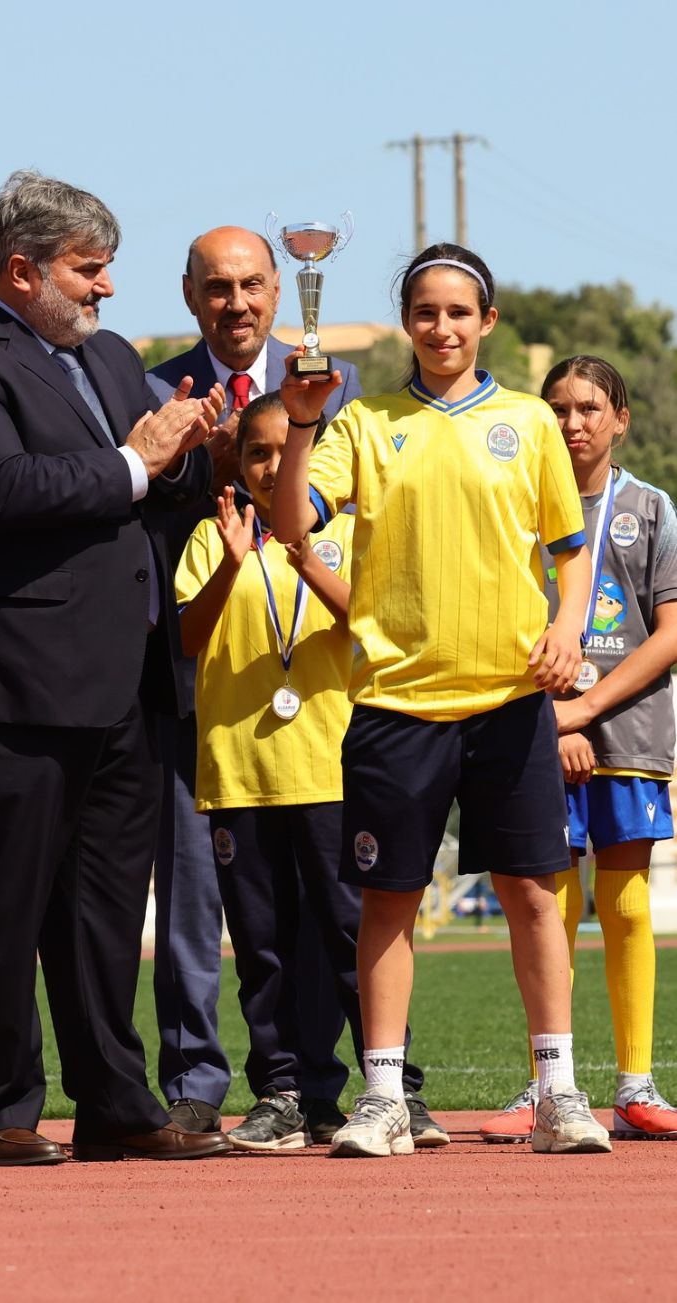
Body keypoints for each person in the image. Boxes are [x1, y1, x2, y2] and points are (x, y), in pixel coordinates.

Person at [0, 170, 231, 1166]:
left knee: (101, 911)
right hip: (10, 681)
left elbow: (164, 488)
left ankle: (114, 1104)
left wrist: (209, 445)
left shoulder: (115, 358)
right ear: (19, 270)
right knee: (0, 901)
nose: (105, 290)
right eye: (89, 271)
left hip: (123, 680)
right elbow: (5, 489)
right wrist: (136, 461)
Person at [271, 243, 613, 1158]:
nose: (442, 327)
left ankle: (556, 1089)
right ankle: (382, 1094)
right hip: (395, 700)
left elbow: (568, 549)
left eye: (459, 311)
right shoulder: (365, 422)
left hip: (507, 699)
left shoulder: (529, 424)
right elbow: (291, 523)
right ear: (406, 323)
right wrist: (302, 426)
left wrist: (568, 629)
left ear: (486, 321)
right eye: (425, 311)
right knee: (387, 897)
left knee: (535, 895)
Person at [145, 226, 367, 1140]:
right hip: (192, 660)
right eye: (216, 287)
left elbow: (361, 509)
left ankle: (339, 1079)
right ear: (190, 294)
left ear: (278, 291)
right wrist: (200, 456)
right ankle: (197, 1078)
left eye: (251, 284)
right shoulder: (152, 389)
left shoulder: (333, 387)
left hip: (311, 677)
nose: (235, 302)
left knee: (329, 910)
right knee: (197, 901)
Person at [175, 393, 439, 1150]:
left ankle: (392, 1089)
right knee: (261, 949)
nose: (268, 467)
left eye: (283, 453)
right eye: (255, 453)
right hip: (240, 771)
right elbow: (189, 637)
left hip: (332, 769)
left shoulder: (355, 532)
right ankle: (284, 1091)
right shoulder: (210, 536)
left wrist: (304, 560)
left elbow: (381, 625)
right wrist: (232, 566)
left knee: (356, 936)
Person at [481, 355, 677, 1143]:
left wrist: (586, 710)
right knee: (544, 896)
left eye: (588, 407)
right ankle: (547, 1082)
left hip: (626, 726)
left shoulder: (651, 508)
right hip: (535, 720)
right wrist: (550, 715)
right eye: (556, 407)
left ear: (619, 418)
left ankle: (635, 1083)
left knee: (624, 893)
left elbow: (670, 632)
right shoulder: (515, 506)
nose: (571, 423)